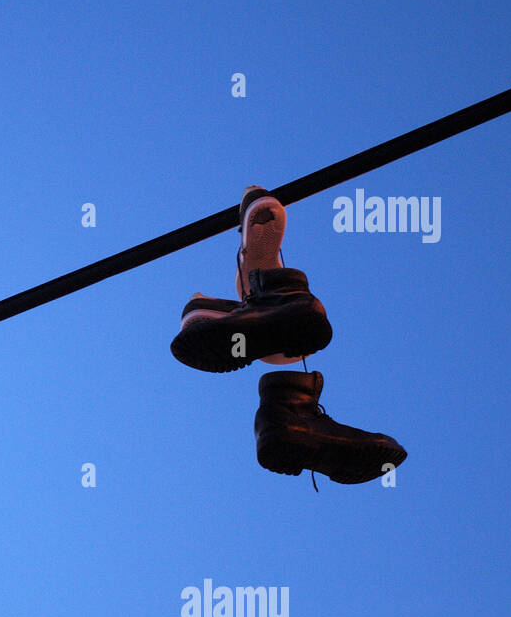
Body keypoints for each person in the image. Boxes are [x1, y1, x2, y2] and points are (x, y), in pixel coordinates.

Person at [170, 186, 407, 485]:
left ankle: (271, 310)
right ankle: (285, 413)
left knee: (289, 311)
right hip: (278, 330)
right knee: (286, 308)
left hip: (278, 319)